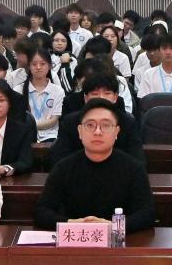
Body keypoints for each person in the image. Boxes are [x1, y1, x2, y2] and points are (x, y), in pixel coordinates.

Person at [34, 99, 155, 232]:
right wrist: (70, 223)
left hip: (118, 241)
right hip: (75, 239)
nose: (97, 132)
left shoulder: (133, 169)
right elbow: (41, 211)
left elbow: (147, 214)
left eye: (105, 125)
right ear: (80, 131)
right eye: (90, 125)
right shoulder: (63, 167)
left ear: (117, 132)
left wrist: (112, 226)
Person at [50, 71, 146, 168]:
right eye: (95, 94)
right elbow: (59, 160)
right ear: (85, 98)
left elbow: (137, 161)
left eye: (107, 93)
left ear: (115, 97)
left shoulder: (127, 123)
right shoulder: (70, 123)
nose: (101, 98)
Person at [20, 47, 65, 142]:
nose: (38, 67)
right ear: (29, 66)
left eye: (42, 64)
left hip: (50, 136)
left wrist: (31, 125)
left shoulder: (58, 91)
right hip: (25, 135)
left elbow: (53, 120)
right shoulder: (18, 90)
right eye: (34, 64)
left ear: (50, 66)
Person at [136, 33, 172, 100]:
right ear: (159, 51)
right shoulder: (148, 75)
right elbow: (144, 102)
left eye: (171, 48)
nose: (168, 52)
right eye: (164, 48)